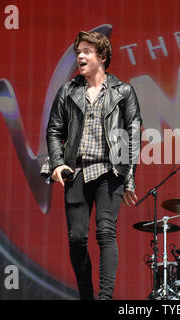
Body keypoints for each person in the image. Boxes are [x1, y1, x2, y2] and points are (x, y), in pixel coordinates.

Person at [46, 31, 142, 300]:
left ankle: (106, 297)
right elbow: (54, 130)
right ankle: (86, 295)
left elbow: (133, 137)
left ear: (102, 56)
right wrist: (56, 163)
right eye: (79, 52)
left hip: (109, 172)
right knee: (77, 237)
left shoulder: (123, 92)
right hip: (76, 171)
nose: (80, 56)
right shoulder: (68, 90)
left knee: (105, 232)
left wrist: (129, 179)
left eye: (87, 51)